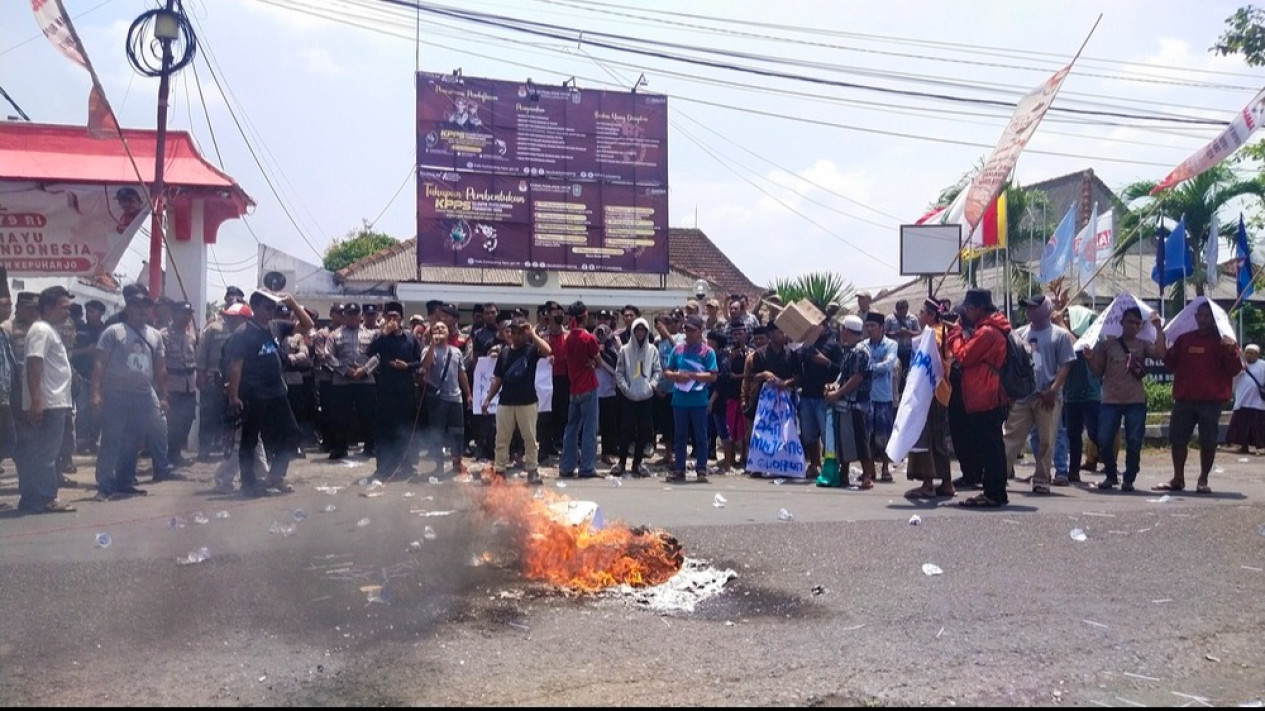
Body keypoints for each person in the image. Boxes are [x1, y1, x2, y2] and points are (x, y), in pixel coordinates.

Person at [226, 291, 312, 496]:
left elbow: (307, 325)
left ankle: (275, 477)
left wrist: (292, 302)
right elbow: (236, 367)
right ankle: (249, 484)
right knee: (250, 439)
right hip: (254, 392)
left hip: (276, 391)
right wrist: (233, 396)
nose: (271, 311)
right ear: (254, 307)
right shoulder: (243, 332)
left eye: (273, 307)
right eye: (267, 307)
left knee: (293, 434)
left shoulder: (276, 326)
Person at [1158, 302, 1242, 494]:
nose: (1203, 319)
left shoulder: (1224, 342)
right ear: (1195, 317)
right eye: (1200, 315)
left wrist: (1231, 351)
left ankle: (1203, 479)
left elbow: (1235, 369)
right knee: (1177, 439)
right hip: (1184, 399)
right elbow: (1169, 362)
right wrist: (1160, 334)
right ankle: (1178, 477)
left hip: (1211, 402)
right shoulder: (1184, 339)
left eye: (1207, 316)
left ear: (1214, 320)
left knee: (1208, 442)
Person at [92, 294, 169, 500]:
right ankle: (105, 484)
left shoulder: (155, 335)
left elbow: (160, 367)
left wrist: (163, 395)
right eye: (137, 306)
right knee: (111, 439)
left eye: (145, 306)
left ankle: (125, 481)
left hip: (142, 394)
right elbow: (100, 363)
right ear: (128, 309)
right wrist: (96, 392)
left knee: (134, 441)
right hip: (116, 393)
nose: (142, 310)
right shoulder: (114, 332)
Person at [1001, 294, 1075, 495]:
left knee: (1046, 441)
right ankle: (999, 476)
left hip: (1047, 396)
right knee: (1010, 438)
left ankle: (1042, 479)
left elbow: (1066, 364)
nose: (1029, 311)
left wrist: (1054, 388)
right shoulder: (1018, 334)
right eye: (1027, 307)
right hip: (1023, 397)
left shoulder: (1059, 335)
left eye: (1033, 307)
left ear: (1045, 309)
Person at [1088, 307, 1166, 492]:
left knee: (1134, 440)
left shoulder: (1143, 344)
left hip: (1135, 401)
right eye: (1130, 322)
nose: (1134, 326)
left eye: (1138, 324)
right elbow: (1098, 371)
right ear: (1121, 322)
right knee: (1104, 439)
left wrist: (1159, 330)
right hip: (1110, 400)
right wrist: (1090, 359)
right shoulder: (1107, 345)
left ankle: (1129, 478)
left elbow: (1160, 354)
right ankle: (1111, 475)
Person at [15, 286, 76, 513]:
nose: (67, 312)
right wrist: (36, 401)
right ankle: (42, 498)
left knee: (43, 453)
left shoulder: (49, 330)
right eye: (64, 307)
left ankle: (35, 499)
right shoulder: (41, 330)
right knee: (45, 454)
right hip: (48, 403)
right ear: (49, 307)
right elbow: (34, 364)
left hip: (53, 402)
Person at [954, 288, 1012, 508]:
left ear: (978, 308)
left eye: (968, 308)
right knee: (991, 446)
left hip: (986, 394)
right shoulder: (991, 328)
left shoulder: (987, 332)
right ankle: (994, 491)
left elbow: (963, 356)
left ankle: (994, 493)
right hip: (987, 393)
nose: (966, 312)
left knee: (990, 447)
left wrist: (955, 335)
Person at [482, 318, 551, 485]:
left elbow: (548, 350)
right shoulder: (504, 353)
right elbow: (498, 378)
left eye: (520, 332)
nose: (515, 336)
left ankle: (532, 470)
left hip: (527, 401)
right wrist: (488, 398)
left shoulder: (531, 350)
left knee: (530, 439)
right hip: (506, 402)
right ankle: (500, 471)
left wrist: (533, 334)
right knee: (502, 439)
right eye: (513, 332)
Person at [906, 299, 955, 499]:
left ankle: (928, 484)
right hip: (938, 391)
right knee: (937, 438)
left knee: (928, 438)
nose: (919, 315)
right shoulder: (937, 331)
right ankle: (946, 483)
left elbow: (931, 358)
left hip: (932, 391)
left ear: (932, 315)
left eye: (922, 311)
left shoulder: (935, 333)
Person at [366, 301, 422, 480]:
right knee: (384, 430)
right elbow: (370, 352)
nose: (392, 320)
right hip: (385, 390)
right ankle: (383, 466)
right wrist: (384, 333)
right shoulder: (380, 337)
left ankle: (407, 464)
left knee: (405, 429)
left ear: (402, 319)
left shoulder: (410, 338)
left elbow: (419, 361)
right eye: (388, 317)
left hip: (405, 390)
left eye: (395, 317)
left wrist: (407, 366)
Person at [664, 314, 717, 483]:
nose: (688, 333)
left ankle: (701, 469)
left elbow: (713, 375)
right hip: (679, 399)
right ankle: (680, 469)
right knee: (680, 436)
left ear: (700, 331)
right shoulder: (677, 349)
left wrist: (694, 376)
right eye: (686, 329)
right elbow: (667, 371)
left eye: (692, 330)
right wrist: (676, 377)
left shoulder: (708, 352)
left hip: (699, 399)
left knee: (701, 436)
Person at [823, 315, 873, 488]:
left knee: (860, 440)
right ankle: (843, 474)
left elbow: (856, 378)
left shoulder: (860, 351)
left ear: (848, 331)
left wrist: (838, 394)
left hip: (857, 403)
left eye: (843, 329)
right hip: (845, 404)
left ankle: (867, 475)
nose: (841, 332)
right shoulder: (849, 350)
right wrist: (833, 386)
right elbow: (843, 376)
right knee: (844, 439)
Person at [327, 302, 377, 460]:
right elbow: (328, 356)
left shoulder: (371, 335)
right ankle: (340, 448)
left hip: (366, 380)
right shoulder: (335, 335)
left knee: (368, 415)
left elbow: (378, 356)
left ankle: (370, 446)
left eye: (356, 313)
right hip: (342, 381)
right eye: (350, 313)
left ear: (360, 315)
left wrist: (364, 370)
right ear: (345, 315)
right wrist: (345, 370)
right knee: (341, 416)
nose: (353, 316)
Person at [420, 321, 471, 478]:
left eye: (443, 327)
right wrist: (432, 345)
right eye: (436, 328)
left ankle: (457, 461)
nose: (440, 330)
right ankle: (438, 464)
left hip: (455, 398)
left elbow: (461, 373)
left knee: (458, 432)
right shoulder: (428, 350)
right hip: (438, 398)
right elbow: (425, 365)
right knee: (437, 432)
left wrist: (468, 394)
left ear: (449, 332)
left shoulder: (456, 351)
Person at [613, 316, 661, 478]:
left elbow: (657, 371)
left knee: (644, 430)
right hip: (629, 396)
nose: (640, 332)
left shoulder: (652, 350)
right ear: (633, 331)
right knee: (626, 429)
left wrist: (652, 386)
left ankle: (638, 463)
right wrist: (626, 389)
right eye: (637, 329)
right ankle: (621, 462)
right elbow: (619, 372)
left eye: (643, 330)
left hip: (646, 396)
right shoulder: (625, 350)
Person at [560, 301, 601, 478]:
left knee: (571, 429)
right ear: (584, 316)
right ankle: (587, 467)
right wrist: (593, 362)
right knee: (589, 429)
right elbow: (598, 362)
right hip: (588, 386)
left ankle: (567, 466)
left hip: (574, 388)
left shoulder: (568, 338)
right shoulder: (589, 338)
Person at [797, 327, 842, 479]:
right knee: (808, 433)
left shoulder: (833, 345)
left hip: (824, 397)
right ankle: (815, 464)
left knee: (827, 434)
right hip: (806, 395)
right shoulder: (806, 345)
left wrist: (826, 362)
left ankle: (831, 466)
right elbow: (797, 365)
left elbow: (841, 370)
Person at [1062, 317, 1101, 486]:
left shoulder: (1090, 339)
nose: (1066, 321)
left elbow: (1078, 345)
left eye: (1069, 320)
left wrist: (1060, 324)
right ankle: (1073, 471)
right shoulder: (1064, 338)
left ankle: (1110, 466)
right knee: (1073, 435)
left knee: (1095, 433)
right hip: (1071, 395)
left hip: (1090, 394)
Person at [161, 301, 199, 467]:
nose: (187, 317)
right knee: (172, 422)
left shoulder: (191, 337)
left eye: (189, 313)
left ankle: (176, 454)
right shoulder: (163, 335)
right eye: (183, 313)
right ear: (174, 314)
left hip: (189, 385)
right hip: (172, 384)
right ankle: (169, 455)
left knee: (188, 419)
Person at [861, 311, 898, 481]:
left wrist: (867, 369)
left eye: (872, 326)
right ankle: (869, 470)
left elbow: (888, 365)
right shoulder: (863, 346)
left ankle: (885, 468)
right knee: (866, 435)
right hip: (867, 396)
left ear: (881, 327)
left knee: (884, 435)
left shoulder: (891, 344)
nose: (869, 329)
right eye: (867, 326)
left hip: (883, 396)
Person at [72, 299, 107, 454]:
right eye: (87, 311)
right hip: (82, 375)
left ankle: (93, 440)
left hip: (101, 378)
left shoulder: (107, 331)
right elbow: (71, 352)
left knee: (97, 410)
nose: (88, 315)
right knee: (83, 409)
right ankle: (81, 441)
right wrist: (87, 350)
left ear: (101, 313)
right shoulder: (79, 330)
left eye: (92, 311)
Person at [1227, 343, 1265, 454]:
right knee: (1241, 425)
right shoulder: (1239, 365)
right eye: (1247, 352)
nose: (1248, 355)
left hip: (1258, 402)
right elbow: (1232, 377)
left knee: (1259, 425)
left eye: (1251, 353)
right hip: (1243, 399)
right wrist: (1240, 370)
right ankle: (1244, 446)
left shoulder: (1263, 365)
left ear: (1257, 354)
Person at [594, 323, 621, 467]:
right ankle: (590, 454)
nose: (600, 337)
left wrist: (601, 357)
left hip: (609, 392)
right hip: (593, 393)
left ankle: (607, 453)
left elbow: (615, 369)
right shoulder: (590, 348)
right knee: (592, 427)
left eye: (603, 333)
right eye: (598, 334)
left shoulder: (613, 349)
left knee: (608, 427)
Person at [884, 299, 920, 376]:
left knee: (907, 372)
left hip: (909, 350)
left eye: (902, 309)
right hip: (894, 350)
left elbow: (918, 332)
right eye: (898, 309)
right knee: (895, 372)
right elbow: (884, 333)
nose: (900, 312)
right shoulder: (889, 319)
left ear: (907, 308)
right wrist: (896, 333)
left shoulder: (913, 318)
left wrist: (908, 332)